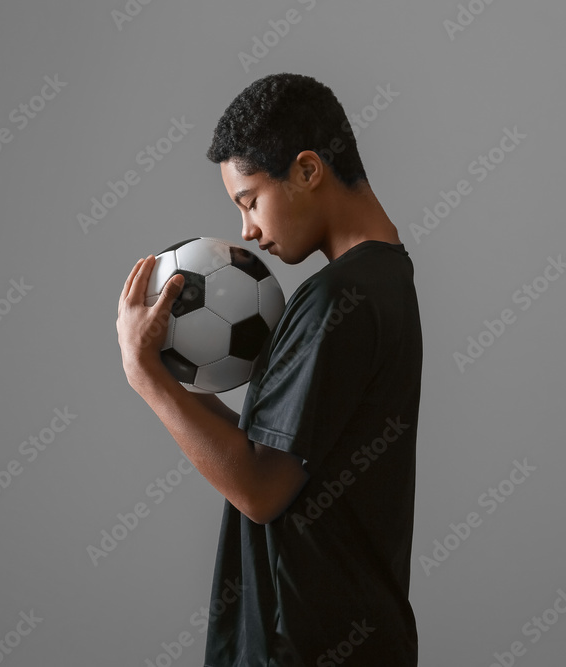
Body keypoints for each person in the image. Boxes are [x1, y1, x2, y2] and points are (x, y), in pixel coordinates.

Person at [115, 72, 422, 666]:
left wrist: (144, 375)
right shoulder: (383, 282)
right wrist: (155, 366)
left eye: (250, 199)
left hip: (305, 647)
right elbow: (261, 451)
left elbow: (260, 487)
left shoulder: (339, 299)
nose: (247, 230)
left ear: (308, 170)